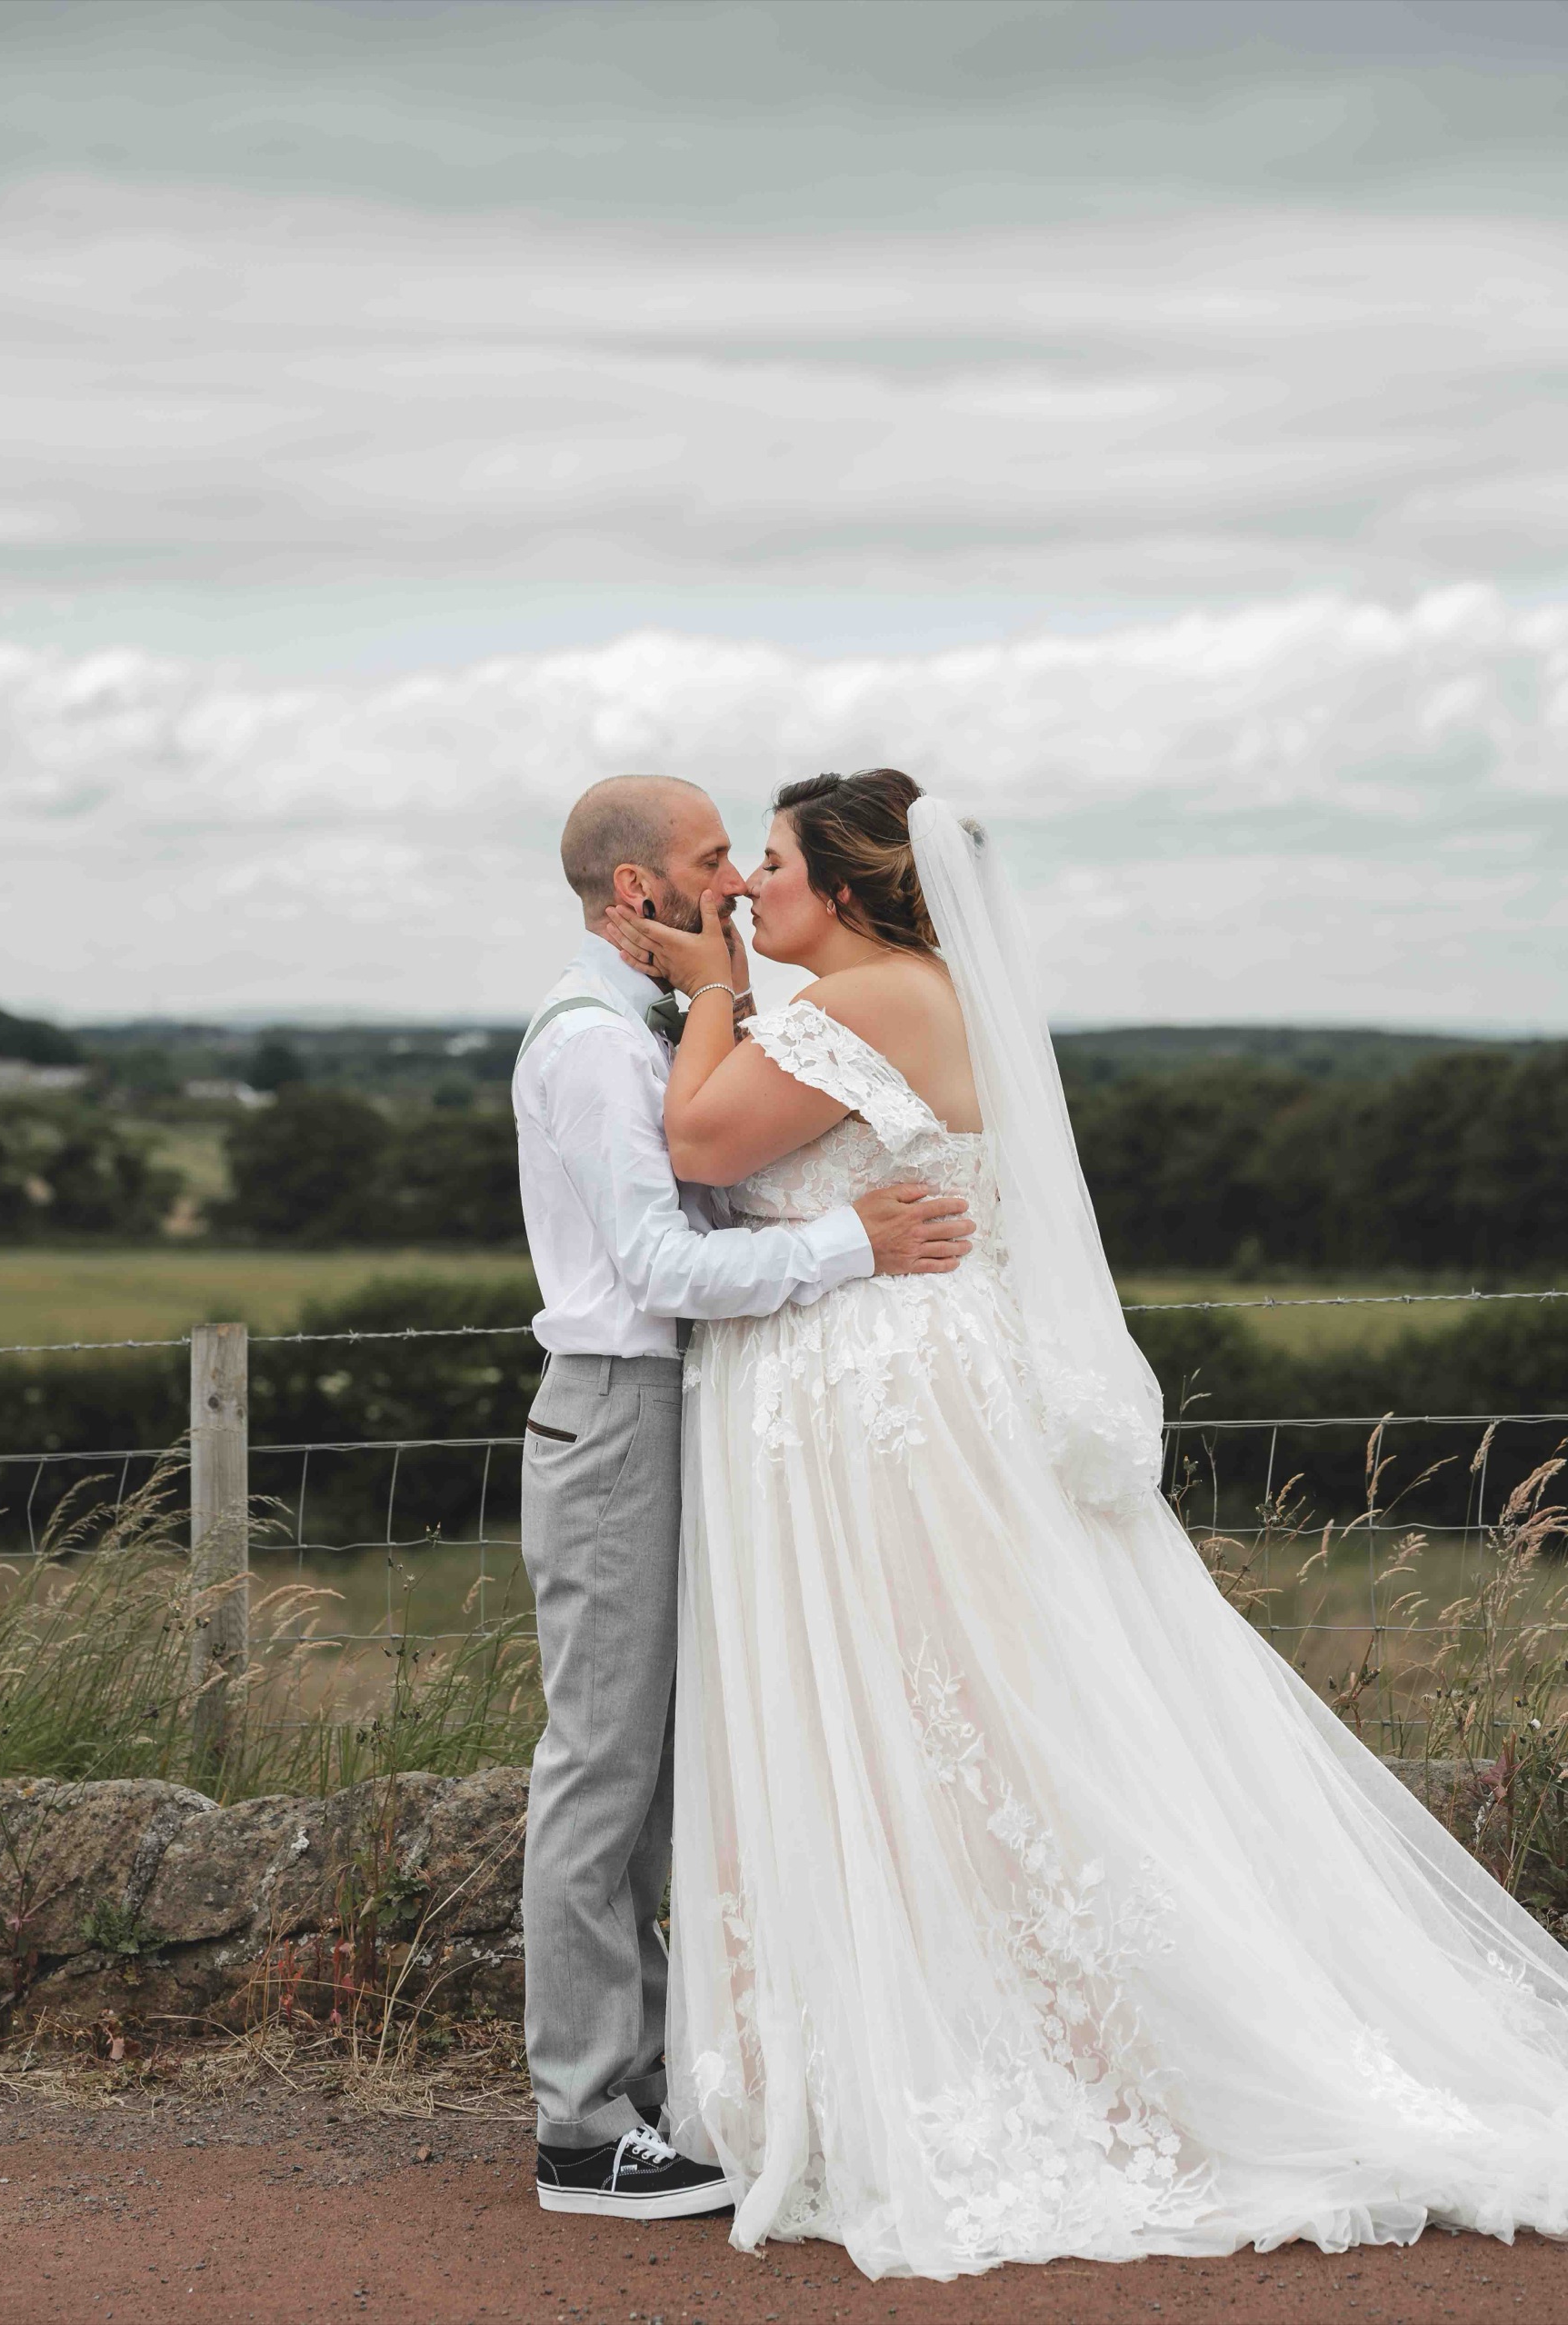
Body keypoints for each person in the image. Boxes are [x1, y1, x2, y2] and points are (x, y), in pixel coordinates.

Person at [604, 766, 1568, 2279]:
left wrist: (714, 986)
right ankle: (927, 2024)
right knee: (931, 1721)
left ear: (843, 889)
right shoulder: (893, 993)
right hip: (872, 1391)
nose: (745, 887)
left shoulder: (870, 998)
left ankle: (1023, 2051)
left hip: (886, 1409)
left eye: (770, 862)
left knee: (949, 1722)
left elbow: (704, 1147)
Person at [513, 773, 975, 2220]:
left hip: (696, 1411)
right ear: (636, 890)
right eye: (715, 859)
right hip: (619, 1409)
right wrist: (849, 1244)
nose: (729, 884)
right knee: (602, 1765)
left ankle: (652, 2082)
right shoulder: (597, 1043)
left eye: (748, 859)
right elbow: (662, 1265)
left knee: (662, 1772)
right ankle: (583, 2123)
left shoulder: (674, 1020)